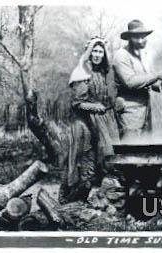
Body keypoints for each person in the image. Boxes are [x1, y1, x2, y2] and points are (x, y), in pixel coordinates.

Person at [59, 36, 119, 204]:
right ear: (89, 52)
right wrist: (95, 107)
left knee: (100, 164)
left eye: (100, 51)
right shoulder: (82, 72)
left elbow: (108, 98)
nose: (97, 54)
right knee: (82, 165)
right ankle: (67, 202)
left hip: (100, 123)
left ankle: (89, 203)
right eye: (94, 50)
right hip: (82, 125)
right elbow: (77, 103)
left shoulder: (103, 73)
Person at [112, 19, 162, 141]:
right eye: (136, 37)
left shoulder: (143, 56)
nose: (141, 40)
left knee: (147, 152)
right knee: (131, 152)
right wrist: (157, 75)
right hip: (129, 112)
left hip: (145, 112)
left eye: (143, 36)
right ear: (129, 38)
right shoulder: (121, 56)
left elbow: (149, 82)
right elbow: (130, 82)